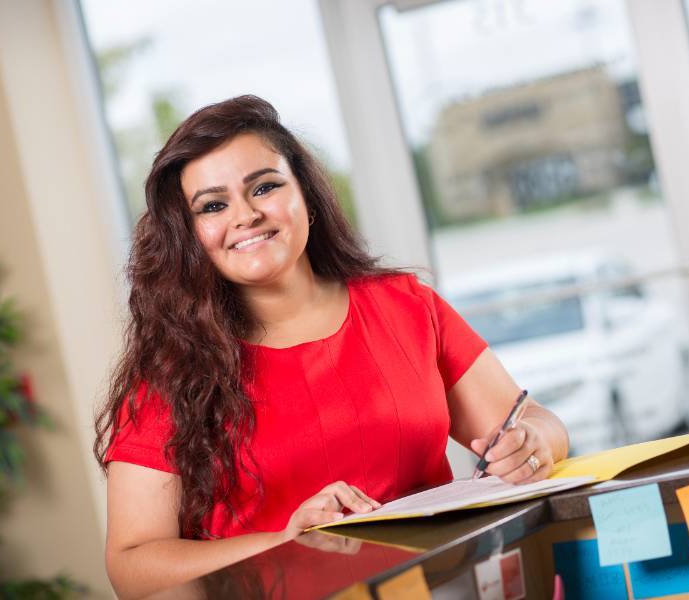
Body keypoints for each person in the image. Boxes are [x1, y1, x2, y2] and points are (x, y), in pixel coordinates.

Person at [93, 95, 569, 598]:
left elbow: (534, 422)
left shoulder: (406, 306)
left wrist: (534, 445)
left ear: (308, 198)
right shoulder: (172, 374)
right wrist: (287, 542)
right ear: (190, 235)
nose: (247, 215)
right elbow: (132, 565)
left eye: (265, 187)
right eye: (213, 205)